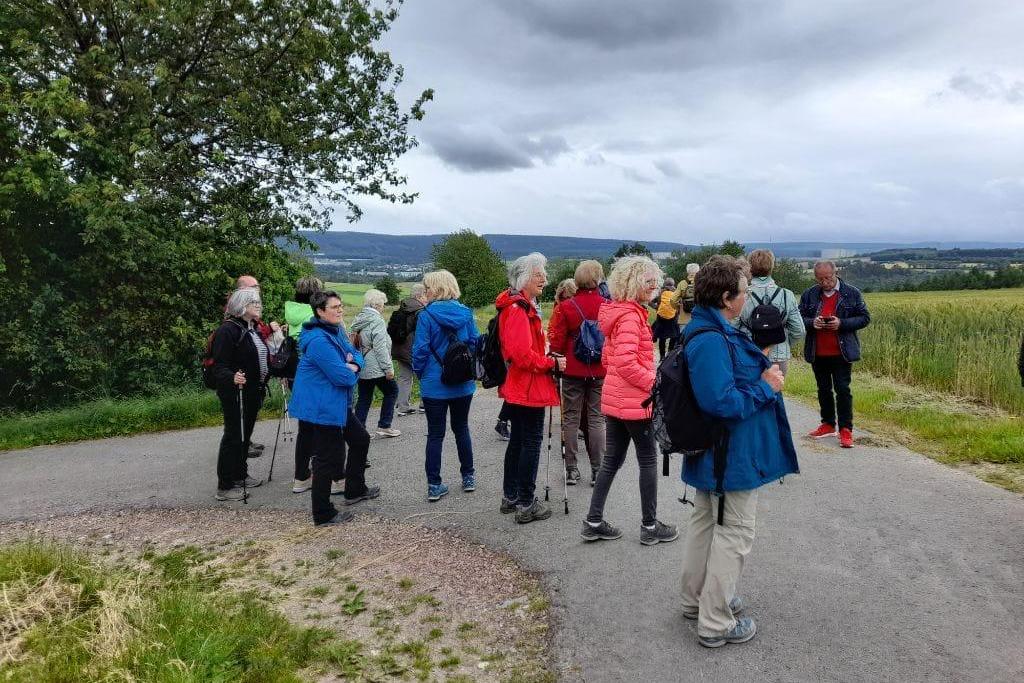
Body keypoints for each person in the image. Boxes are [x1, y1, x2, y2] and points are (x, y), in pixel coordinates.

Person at [678, 255, 797, 649]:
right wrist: (766, 386)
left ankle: (698, 601)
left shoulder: (710, 330)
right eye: (744, 292)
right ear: (728, 297)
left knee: (706, 525)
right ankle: (715, 621)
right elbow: (722, 402)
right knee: (734, 532)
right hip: (728, 457)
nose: (747, 298)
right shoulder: (711, 339)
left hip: (717, 455)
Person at [582, 256, 677, 545]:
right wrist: (654, 384)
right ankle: (649, 527)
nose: (653, 286)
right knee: (647, 459)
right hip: (636, 402)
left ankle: (593, 521)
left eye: (654, 281)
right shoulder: (631, 317)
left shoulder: (617, 313)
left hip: (617, 399)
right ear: (634, 283)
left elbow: (608, 359)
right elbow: (623, 363)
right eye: (648, 281)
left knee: (612, 460)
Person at [288, 290, 379, 526]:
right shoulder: (318, 340)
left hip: (336, 403)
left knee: (360, 439)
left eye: (340, 306)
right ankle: (322, 512)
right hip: (322, 406)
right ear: (320, 311)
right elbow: (343, 378)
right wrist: (350, 367)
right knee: (327, 458)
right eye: (334, 307)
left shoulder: (335, 331)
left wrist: (354, 365)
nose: (340, 310)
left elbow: (356, 355)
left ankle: (354, 490)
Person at [496, 252, 566, 524]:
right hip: (528, 385)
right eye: (539, 275)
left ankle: (512, 496)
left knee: (519, 441)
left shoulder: (519, 306)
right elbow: (521, 354)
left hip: (521, 385)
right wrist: (550, 363)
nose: (545, 279)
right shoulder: (518, 310)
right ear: (524, 278)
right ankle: (525, 502)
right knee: (529, 442)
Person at [412, 270, 480, 501]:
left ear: (436, 289)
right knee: (461, 428)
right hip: (462, 382)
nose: (425, 292)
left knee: (435, 434)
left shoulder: (426, 316)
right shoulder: (466, 313)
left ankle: (434, 484)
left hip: (434, 382)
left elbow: (420, 350)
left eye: (427, 287)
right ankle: (468, 476)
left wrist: (421, 374)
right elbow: (474, 343)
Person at [799, 261, 871, 448]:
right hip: (818, 351)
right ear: (816, 278)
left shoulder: (851, 293)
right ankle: (828, 424)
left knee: (843, 390)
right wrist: (812, 322)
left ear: (835, 273)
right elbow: (798, 318)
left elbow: (865, 318)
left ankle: (846, 430)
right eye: (821, 279)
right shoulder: (809, 295)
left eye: (828, 278)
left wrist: (841, 323)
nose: (825, 282)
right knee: (823, 389)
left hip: (842, 351)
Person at [548, 260, 607, 487]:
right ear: (598, 279)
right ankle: (597, 469)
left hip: (572, 367)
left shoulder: (566, 307)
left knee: (571, 418)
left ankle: (571, 469)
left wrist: (554, 359)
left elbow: (558, 341)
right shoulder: (606, 305)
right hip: (599, 367)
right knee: (596, 418)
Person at [209, 287, 268, 501]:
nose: (259, 307)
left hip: (252, 390)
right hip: (235, 391)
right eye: (255, 304)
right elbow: (219, 365)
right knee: (234, 435)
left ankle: (240, 474)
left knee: (245, 435)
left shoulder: (251, 328)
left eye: (259, 303)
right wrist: (232, 376)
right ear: (242, 306)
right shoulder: (228, 330)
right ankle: (224, 485)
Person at [283, 276, 323, 494]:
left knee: (305, 427)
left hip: (293, 373)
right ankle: (319, 472)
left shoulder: (292, 311)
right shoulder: (313, 314)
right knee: (317, 424)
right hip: (311, 373)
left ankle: (301, 475)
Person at [737, 249, 805, 375]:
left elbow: (733, 326)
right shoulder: (787, 295)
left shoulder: (742, 294)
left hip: (749, 353)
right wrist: (783, 342)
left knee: (750, 392)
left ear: (750, 268)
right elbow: (799, 330)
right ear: (772, 267)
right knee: (775, 391)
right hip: (779, 356)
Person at [351, 289, 401, 438]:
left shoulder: (358, 319)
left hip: (361, 364)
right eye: (383, 304)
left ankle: (359, 430)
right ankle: (384, 425)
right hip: (376, 366)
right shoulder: (377, 321)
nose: (384, 307)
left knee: (364, 397)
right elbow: (380, 347)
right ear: (377, 304)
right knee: (392, 391)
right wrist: (388, 369)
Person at [392, 283, 428, 416]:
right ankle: (424, 404)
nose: (427, 298)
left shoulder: (402, 308)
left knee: (404, 377)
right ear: (419, 296)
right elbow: (423, 333)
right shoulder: (420, 311)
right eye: (425, 295)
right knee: (424, 375)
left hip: (399, 349)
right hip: (413, 349)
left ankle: (402, 407)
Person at [651, 277, 680, 360]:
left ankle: (662, 356)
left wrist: (657, 307)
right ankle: (670, 353)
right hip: (673, 318)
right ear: (673, 284)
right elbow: (679, 304)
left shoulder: (660, 292)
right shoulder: (676, 292)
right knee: (674, 336)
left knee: (662, 337)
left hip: (661, 318)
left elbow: (651, 302)